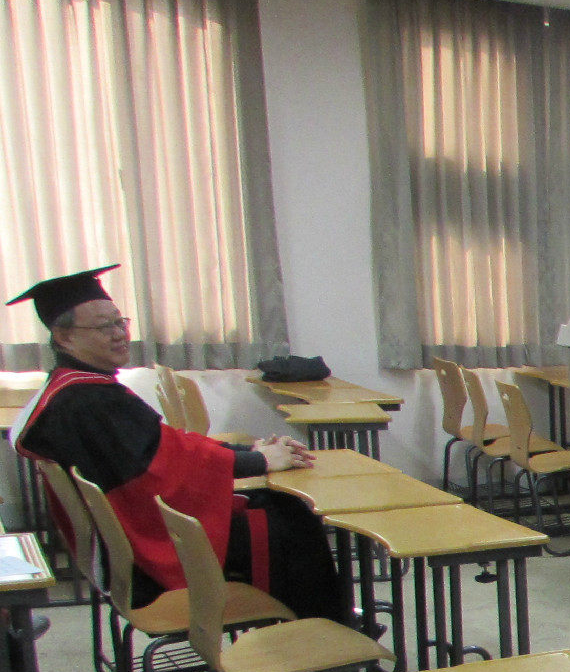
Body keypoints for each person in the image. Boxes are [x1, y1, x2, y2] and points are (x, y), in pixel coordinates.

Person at [7, 266, 351, 623]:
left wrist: (249, 453)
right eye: (103, 327)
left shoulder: (76, 388)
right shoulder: (88, 400)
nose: (119, 334)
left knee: (276, 502)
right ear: (64, 338)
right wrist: (259, 462)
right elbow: (162, 467)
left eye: (120, 321)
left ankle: (316, 627)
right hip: (148, 554)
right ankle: (321, 632)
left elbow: (165, 446)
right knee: (288, 519)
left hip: (129, 535)